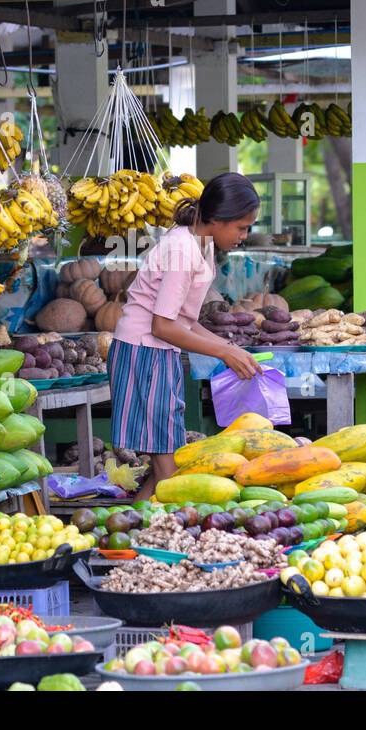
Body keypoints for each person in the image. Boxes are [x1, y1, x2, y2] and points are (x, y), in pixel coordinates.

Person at [109, 173, 262, 498]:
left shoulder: (199, 243)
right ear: (218, 220)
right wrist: (223, 353)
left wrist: (228, 347)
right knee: (168, 467)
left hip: (157, 353)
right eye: (241, 227)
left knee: (166, 459)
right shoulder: (183, 250)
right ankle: (175, 535)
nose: (244, 236)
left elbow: (184, 320)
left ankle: (133, 528)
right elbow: (162, 326)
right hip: (144, 353)